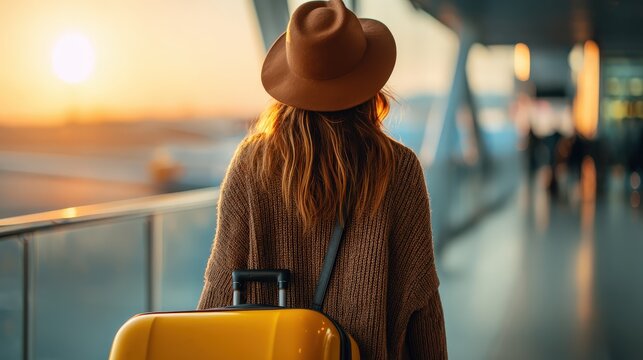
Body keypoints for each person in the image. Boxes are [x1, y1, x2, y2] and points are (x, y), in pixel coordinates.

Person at [197, 0, 447, 358]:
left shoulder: (251, 166)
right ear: (368, 82)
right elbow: (421, 303)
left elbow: (219, 292)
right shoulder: (399, 170)